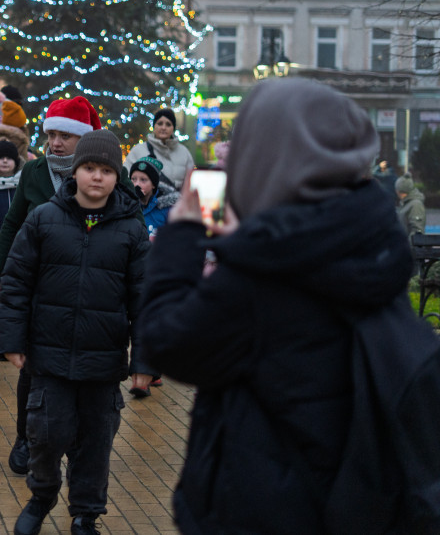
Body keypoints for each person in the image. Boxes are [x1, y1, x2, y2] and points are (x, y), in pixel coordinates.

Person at [137, 78, 414, 534]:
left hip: (262, 504)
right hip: (355, 498)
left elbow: (166, 341)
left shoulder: (264, 276)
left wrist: (184, 234)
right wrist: (247, 244)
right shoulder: (371, 238)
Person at [0, 129, 150, 535]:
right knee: (46, 435)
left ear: (117, 176)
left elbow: (145, 299)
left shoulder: (131, 231)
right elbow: (16, 283)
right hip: (49, 357)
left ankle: (85, 513)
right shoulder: (44, 218)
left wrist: (145, 361)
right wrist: (11, 340)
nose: (96, 177)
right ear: (74, 172)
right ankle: (42, 494)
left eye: (105, 170)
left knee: (96, 443)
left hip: (103, 362)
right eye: (89, 168)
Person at [0, 95, 102, 475]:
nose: (55, 143)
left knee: (77, 371)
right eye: (51, 135)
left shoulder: (96, 175)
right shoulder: (34, 172)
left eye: (64, 136)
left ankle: (74, 446)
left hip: (84, 287)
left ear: (81, 139)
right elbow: (13, 223)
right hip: (38, 285)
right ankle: (26, 438)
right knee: (32, 370)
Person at [123, 108, 195, 190]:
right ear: (154, 126)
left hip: (177, 202)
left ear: (173, 128)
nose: (163, 128)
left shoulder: (184, 152)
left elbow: (191, 182)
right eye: (160, 123)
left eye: (168, 124)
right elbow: (126, 177)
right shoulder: (138, 150)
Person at [129, 156, 179, 238]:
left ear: (153, 184)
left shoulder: (167, 209)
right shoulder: (126, 206)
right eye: (133, 179)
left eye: (143, 180)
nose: (136, 184)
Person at [396, 173, 426, 240]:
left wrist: (405, 246)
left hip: (409, 248)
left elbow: (417, 231)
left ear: (398, 191)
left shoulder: (415, 205)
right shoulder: (406, 204)